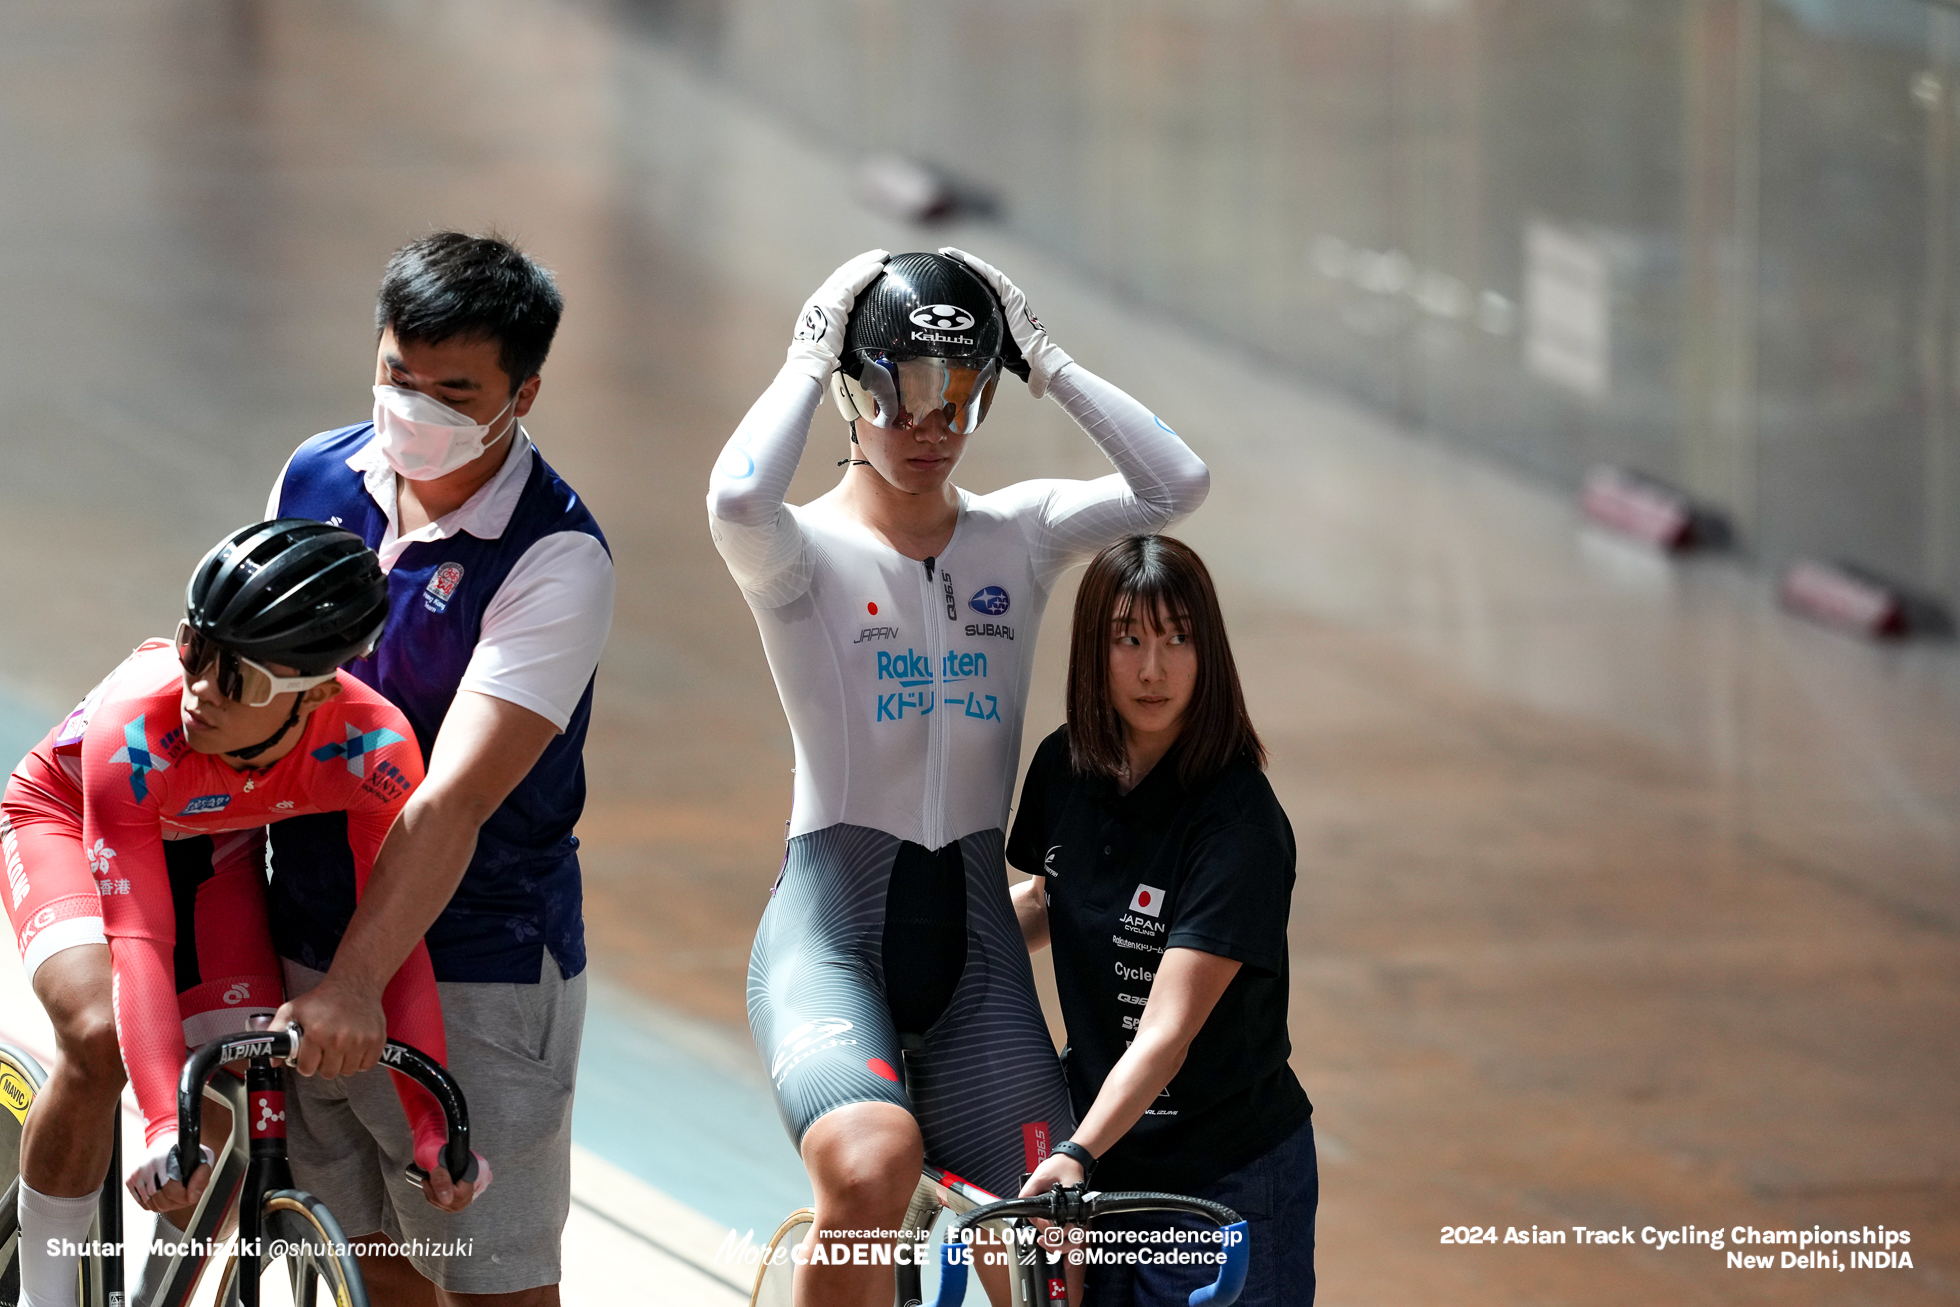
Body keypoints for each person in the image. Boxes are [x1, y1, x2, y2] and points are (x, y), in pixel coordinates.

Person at [707, 248, 1209, 1304]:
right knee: (869, 1165)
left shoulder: (1014, 537)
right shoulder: (797, 554)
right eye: (900, 401)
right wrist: (806, 351)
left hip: (978, 959)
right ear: (853, 391)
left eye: (959, 403)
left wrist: (1048, 362)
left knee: (1053, 1246)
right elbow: (738, 492)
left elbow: (1178, 482)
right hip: (830, 941)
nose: (930, 430)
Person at [264, 230, 613, 1307]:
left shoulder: (556, 558)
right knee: (373, 1264)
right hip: (310, 940)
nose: (414, 408)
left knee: (488, 1284)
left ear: (525, 392)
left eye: (454, 391)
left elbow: (451, 797)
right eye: (395, 377)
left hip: (475, 966)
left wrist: (362, 980)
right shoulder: (319, 473)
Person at [0, 520, 477, 1307]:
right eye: (196, 652)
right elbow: (140, 940)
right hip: (65, 819)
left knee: (244, 1072)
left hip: (212, 849)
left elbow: (396, 939)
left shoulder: (375, 751)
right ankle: (44, 1298)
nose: (200, 695)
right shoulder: (139, 727)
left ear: (318, 692)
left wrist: (432, 1128)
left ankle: (158, 1292)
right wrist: (159, 1125)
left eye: (240, 682)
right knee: (97, 1036)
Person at [1007, 534, 1316, 1307]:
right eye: (1129, 638)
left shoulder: (1237, 824)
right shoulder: (1064, 765)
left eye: (1178, 636)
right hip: (1109, 1167)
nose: (1154, 668)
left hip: (1221, 1180)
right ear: (1093, 651)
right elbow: (1052, 897)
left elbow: (1166, 1033)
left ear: (1208, 652)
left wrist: (1076, 1150)